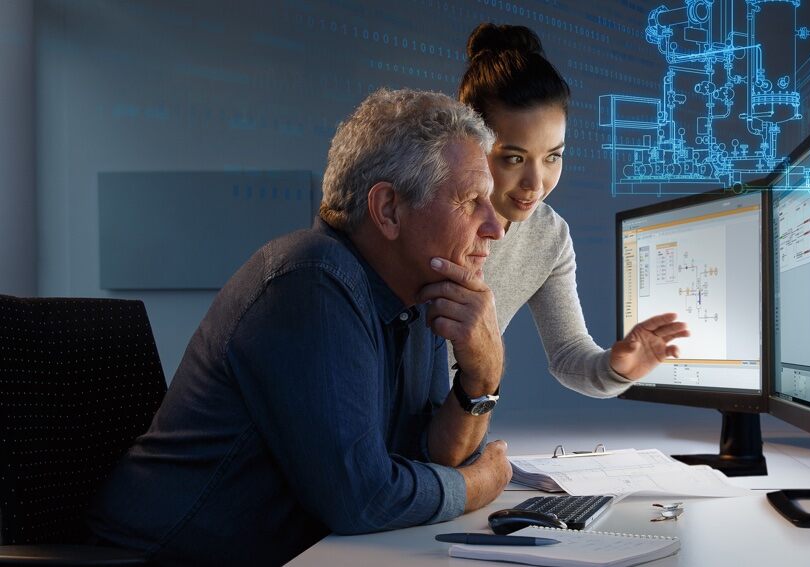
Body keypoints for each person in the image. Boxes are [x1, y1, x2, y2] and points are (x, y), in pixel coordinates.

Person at [87, 89, 513, 567]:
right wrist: (482, 483)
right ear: (389, 209)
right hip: (163, 557)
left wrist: (482, 376)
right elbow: (363, 498)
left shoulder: (420, 293)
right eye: (471, 200)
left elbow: (431, 458)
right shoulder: (312, 282)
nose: (496, 226)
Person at [453, 24, 690, 397]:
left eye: (553, 157)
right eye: (514, 158)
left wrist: (618, 366)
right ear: (470, 144)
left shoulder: (549, 235)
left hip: (460, 418)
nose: (536, 183)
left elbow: (567, 354)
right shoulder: (432, 219)